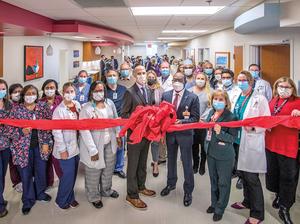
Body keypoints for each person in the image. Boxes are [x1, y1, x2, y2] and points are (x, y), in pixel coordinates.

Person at [230, 71, 270, 224]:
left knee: (252, 178)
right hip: (238, 141)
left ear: (251, 82)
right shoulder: (237, 97)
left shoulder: (259, 98)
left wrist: (255, 129)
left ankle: (257, 213)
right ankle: (247, 201)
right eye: (239, 80)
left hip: (252, 140)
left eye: (244, 80)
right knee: (243, 175)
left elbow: (266, 120)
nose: (241, 82)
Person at [7, 84, 53, 215]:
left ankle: (40, 193)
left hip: (40, 146)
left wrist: (45, 142)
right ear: (23, 96)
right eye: (27, 94)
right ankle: (27, 200)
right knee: (25, 174)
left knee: (40, 171)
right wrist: (21, 132)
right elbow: (9, 130)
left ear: (37, 95)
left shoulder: (43, 108)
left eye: (33, 93)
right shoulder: (16, 111)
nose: (30, 96)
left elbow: (48, 125)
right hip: (22, 148)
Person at [160, 72, 200, 207]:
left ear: (185, 81)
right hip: (170, 135)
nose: (177, 82)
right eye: (175, 80)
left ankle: (188, 191)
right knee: (170, 161)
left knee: (187, 163)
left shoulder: (192, 97)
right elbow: (162, 115)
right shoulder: (165, 95)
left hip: (185, 135)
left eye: (180, 80)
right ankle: (171, 184)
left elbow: (195, 118)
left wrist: (181, 122)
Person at [79, 81, 121, 209]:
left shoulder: (109, 103)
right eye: (96, 91)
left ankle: (106, 190)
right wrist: (93, 150)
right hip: (94, 145)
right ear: (91, 92)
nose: (99, 93)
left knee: (108, 169)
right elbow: (84, 130)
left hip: (110, 142)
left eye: (101, 90)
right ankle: (94, 196)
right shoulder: (86, 108)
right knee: (94, 171)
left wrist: (118, 135)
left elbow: (115, 119)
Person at [265, 77, 300, 224]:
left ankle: (285, 207)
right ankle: (278, 195)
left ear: (292, 88)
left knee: (289, 177)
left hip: (289, 147)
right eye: (280, 86)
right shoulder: (272, 101)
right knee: (274, 173)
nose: (283, 89)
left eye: (287, 87)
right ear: (276, 87)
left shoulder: (297, 102)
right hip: (271, 144)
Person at [121, 65, 155, 210]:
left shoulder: (149, 90)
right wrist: (139, 118)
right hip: (135, 135)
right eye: (139, 73)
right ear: (134, 75)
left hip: (146, 134)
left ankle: (141, 186)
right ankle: (132, 195)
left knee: (142, 164)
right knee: (133, 165)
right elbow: (124, 114)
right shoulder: (130, 92)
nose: (142, 76)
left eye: (144, 73)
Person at [205, 90, 237, 222]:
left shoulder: (231, 117)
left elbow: (232, 138)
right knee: (213, 181)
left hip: (224, 156)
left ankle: (220, 208)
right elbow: (207, 129)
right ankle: (214, 203)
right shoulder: (211, 113)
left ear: (226, 102)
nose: (217, 102)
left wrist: (219, 132)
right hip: (211, 152)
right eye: (215, 99)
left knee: (223, 183)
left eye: (221, 99)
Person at [52, 82, 81, 210]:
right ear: (63, 93)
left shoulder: (77, 105)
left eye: (72, 91)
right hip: (64, 150)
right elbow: (56, 132)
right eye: (67, 92)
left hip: (76, 148)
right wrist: (62, 150)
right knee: (67, 177)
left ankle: (70, 197)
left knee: (73, 175)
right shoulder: (59, 110)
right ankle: (61, 200)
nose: (70, 94)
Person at [40, 79, 63, 189]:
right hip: (45, 135)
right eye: (47, 88)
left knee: (58, 158)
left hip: (59, 133)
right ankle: (49, 181)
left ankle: (62, 179)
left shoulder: (60, 100)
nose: (50, 90)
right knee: (47, 159)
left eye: (52, 88)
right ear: (43, 90)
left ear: (56, 89)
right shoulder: (40, 102)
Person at [188, 72, 211, 175]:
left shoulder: (210, 92)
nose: (200, 80)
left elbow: (211, 107)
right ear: (195, 79)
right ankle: (195, 164)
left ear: (206, 80)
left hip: (204, 124)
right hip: (192, 123)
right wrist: (194, 118)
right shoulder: (189, 91)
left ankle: (202, 164)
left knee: (204, 145)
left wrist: (202, 119)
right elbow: (186, 106)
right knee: (194, 145)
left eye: (202, 78)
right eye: (198, 78)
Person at [105, 69, 127, 179]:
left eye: (114, 75)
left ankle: (118, 167)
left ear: (118, 77)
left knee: (120, 144)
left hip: (120, 120)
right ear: (106, 77)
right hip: (107, 121)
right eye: (109, 75)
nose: (112, 77)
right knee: (108, 145)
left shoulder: (123, 89)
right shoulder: (103, 90)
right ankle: (108, 167)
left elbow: (128, 103)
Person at [221, 69, 242, 179]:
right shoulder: (218, 89)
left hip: (233, 121)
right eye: (223, 77)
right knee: (225, 146)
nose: (225, 80)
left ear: (232, 79)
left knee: (235, 147)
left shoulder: (238, 91)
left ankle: (237, 171)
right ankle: (228, 168)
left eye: (227, 78)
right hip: (222, 121)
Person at [146, 70, 164, 177]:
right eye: (149, 77)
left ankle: (155, 164)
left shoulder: (160, 90)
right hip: (145, 120)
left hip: (157, 120)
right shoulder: (143, 89)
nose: (151, 79)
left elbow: (163, 105)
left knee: (156, 143)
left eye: (153, 77)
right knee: (144, 143)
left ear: (156, 78)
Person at [7, 83, 23, 193]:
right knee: (13, 162)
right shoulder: (8, 106)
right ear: (10, 94)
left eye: (20, 92)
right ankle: (17, 182)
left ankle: (26, 179)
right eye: (15, 92)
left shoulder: (24, 105)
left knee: (23, 161)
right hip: (10, 139)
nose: (18, 94)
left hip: (23, 139)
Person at [0, 79, 12, 218]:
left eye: (3, 89)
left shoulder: (9, 105)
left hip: (6, 146)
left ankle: (1, 199)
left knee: (2, 176)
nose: (1, 91)